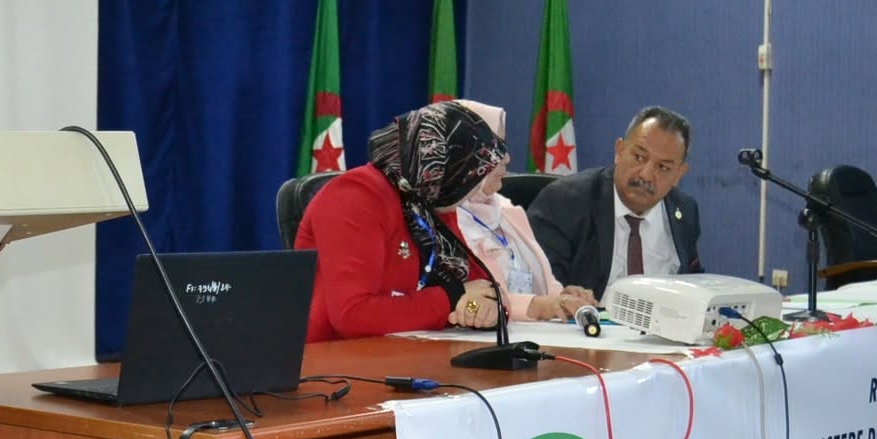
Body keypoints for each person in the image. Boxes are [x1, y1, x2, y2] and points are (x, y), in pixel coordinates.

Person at [293, 100, 507, 341]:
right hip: (333, 356)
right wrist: (452, 298)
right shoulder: (354, 197)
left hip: (410, 353)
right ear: (440, 170)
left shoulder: (430, 200)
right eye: (471, 177)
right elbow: (352, 315)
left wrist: (481, 309)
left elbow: (482, 289)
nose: (475, 189)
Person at [527, 105, 704, 300]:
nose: (646, 175)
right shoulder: (565, 202)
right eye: (639, 157)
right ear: (619, 151)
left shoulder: (685, 211)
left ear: (678, 174)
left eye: (663, 167)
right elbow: (543, 289)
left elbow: (695, 285)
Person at [450, 102, 599, 322]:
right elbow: (464, 299)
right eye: (494, 147)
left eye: (504, 146)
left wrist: (564, 297)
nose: (506, 158)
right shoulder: (439, 220)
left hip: (538, 336)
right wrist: (535, 306)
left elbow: (545, 286)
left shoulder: (508, 211)